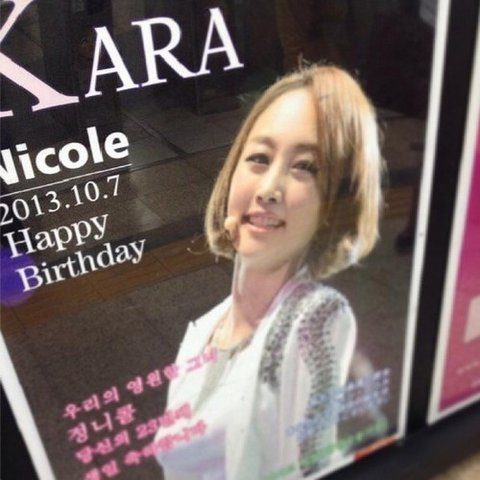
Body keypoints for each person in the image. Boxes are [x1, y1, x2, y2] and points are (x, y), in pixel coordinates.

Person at [155, 65, 383, 480]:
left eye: (305, 167)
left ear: (336, 202)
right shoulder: (203, 331)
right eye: (259, 158)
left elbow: (311, 467)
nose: (268, 190)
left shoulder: (314, 318)